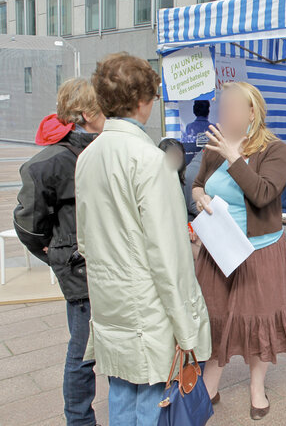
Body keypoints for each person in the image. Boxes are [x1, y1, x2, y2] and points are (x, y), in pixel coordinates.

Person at [75, 53, 211, 426]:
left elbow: (84, 238)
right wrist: (186, 328)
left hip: (108, 296)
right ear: (143, 101)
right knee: (155, 398)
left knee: (121, 393)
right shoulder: (151, 161)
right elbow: (169, 255)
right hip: (147, 303)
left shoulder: (88, 156)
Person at [192, 81, 286, 421]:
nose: (223, 115)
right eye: (221, 108)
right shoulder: (214, 147)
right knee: (215, 317)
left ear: (252, 111)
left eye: (231, 108)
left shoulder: (275, 149)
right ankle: (210, 382)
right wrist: (199, 197)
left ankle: (257, 386)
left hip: (258, 253)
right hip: (217, 250)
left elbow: (263, 194)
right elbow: (198, 184)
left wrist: (234, 158)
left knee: (258, 321)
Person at [13, 78, 105, 426]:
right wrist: (56, 253)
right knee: (83, 353)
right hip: (81, 270)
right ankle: (79, 421)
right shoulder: (46, 164)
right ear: (86, 113)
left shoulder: (103, 148)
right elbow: (28, 225)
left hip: (110, 264)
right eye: (103, 108)